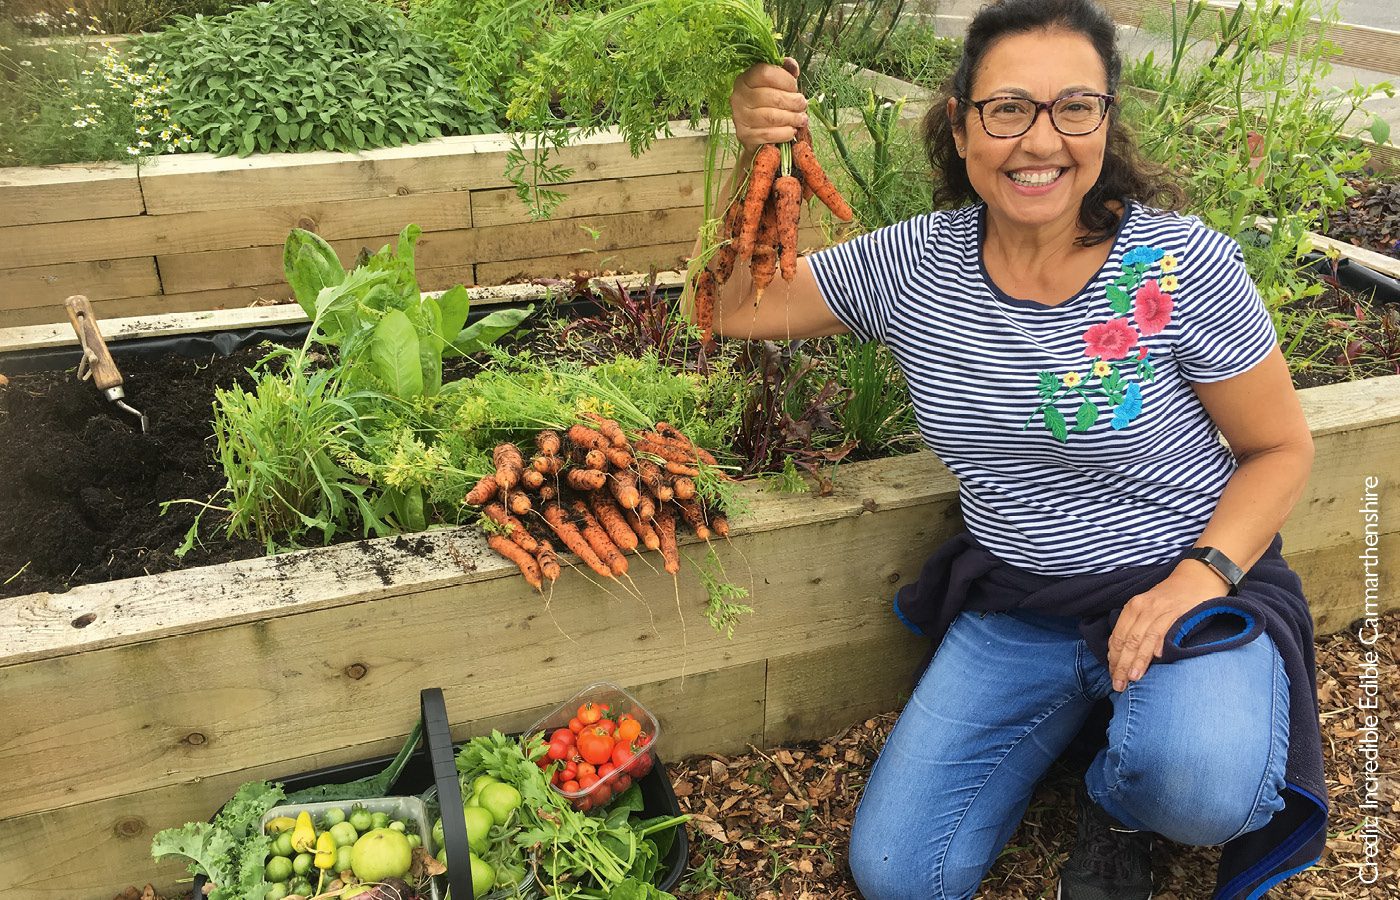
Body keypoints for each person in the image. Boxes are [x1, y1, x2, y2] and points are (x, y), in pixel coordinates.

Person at [692, 0, 1329, 897]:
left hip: (1177, 583)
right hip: (1023, 603)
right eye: (1007, 110)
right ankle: (1096, 719)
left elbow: (1279, 449)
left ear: (1106, 121)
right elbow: (728, 307)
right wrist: (758, 157)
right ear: (959, 126)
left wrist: (1201, 576)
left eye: (1075, 107)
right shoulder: (917, 265)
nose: (1042, 140)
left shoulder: (1176, 266)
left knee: (1198, 786)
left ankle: (1118, 799)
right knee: (898, 874)